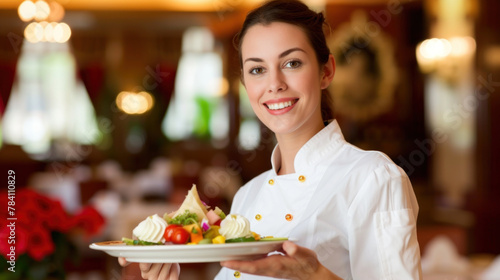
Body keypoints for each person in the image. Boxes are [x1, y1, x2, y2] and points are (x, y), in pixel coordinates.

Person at [119, 0, 422, 279]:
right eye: (258, 69)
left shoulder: (373, 178)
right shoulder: (248, 195)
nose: (274, 84)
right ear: (245, 83)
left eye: (292, 63)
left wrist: (319, 277)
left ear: (326, 71)